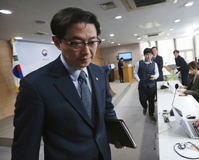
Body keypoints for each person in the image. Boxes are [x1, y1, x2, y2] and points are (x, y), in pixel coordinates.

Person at [11, 7, 123, 160]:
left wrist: (117, 133)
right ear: (57, 42)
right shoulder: (34, 86)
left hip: (102, 154)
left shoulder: (98, 72)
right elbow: (26, 145)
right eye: (76, 43)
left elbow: (107, 109)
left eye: (92, 42)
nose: (87, 52)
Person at [134, 48, 159, 123]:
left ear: (152, 55)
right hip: (142, 86)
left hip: (151, 86)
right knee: (142, 100)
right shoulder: (139, 63)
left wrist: (155, 77)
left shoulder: (154, 64)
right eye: (147, 54)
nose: (149, 56)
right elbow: (135, 72)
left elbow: (157, 73)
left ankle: (151, 115)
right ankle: (145, 107)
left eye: (150, 54)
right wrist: (138, 80)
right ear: (144, 55)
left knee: (151, 101)